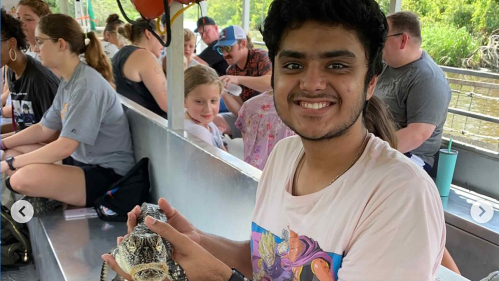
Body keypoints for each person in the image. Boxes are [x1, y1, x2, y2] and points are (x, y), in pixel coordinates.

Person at [104, 0, 446, 281]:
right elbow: (268, 264)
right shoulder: (284, 155)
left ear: (371, 81)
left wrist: (218, 277)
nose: (312, 84)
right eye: (294, 64)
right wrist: (197, 240)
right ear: (275, 74)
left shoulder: (400, 194)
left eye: (338, 65)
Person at [0, 14, 135, 208]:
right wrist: (3, 144)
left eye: (40, 42)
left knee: (21, 178)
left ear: (61, 44)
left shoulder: (86, 85)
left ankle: (49, 199)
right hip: (80, 162)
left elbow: (64, 146)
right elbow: (43, 129)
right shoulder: (69, 80)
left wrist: (12, 164)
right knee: (12, 152)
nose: (36, 49)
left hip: (109, 174)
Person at [374, 11, 452, 172]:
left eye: (382, 38)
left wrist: (369, 152)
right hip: (379, 144)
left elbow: (418, 134)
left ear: (403, 40)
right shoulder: (385, 67)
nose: (377, 44)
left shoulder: (428, 78)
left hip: (411, 156)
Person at [0, 9, 59, 138]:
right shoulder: (13, 72)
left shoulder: (40, 79)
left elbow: (55, 134)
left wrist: (6, 142)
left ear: (11, 43)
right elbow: (23, 125)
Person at [214, 25, 272, 138]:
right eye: (221, 49)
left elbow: (271, 83)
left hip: (270, 116)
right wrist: (223, 92)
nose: (225, 54)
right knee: (211, 121)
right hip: (251, 118)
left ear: (243, 44)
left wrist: (239, 79)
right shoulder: (231, 70)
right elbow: (241, 112)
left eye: (228, 48)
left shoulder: (260, 56)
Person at [113, 20, 168, 119]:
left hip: (131, 122)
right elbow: (168, 105)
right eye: (161, 37)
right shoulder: (145, 56)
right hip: (150, 127)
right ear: (148, 33)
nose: (163, 44)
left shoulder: (120, 54)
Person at [235, 90, 295, 170]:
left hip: (254, 171)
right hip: (288, 171)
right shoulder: (303, 107)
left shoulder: (250, 105)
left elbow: (246, 140)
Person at [184, 65, 225, 150]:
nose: (208, 109)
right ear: (184, 101)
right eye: (199, 102)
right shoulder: (198, 133)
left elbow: (223, 151)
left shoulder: (206, 123)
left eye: (213, 101)